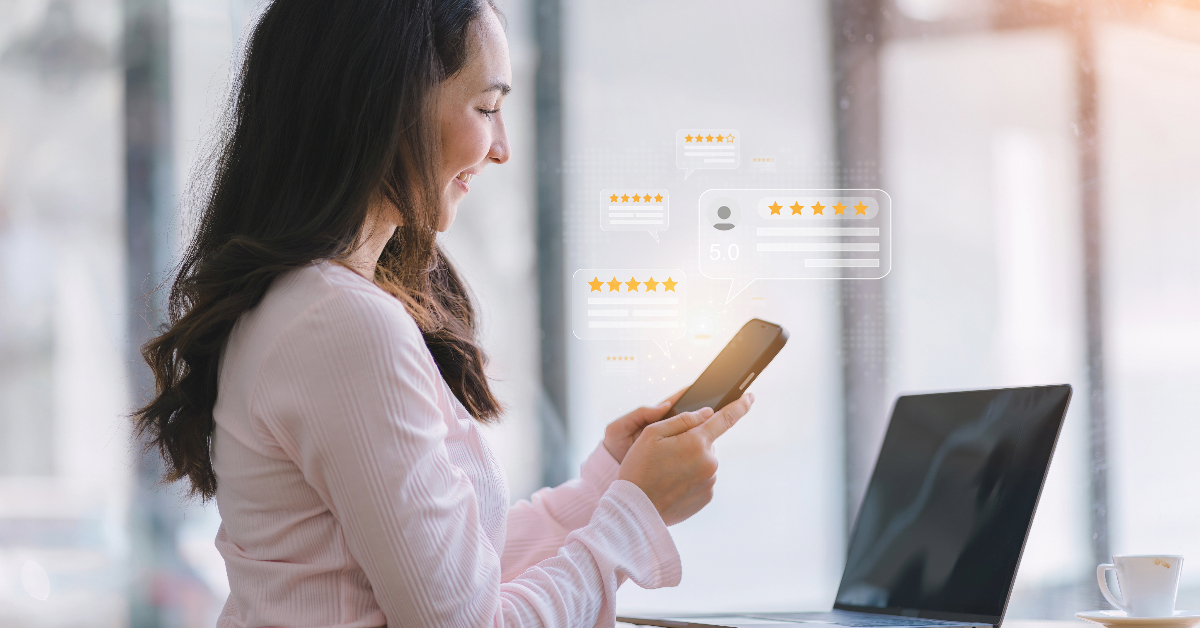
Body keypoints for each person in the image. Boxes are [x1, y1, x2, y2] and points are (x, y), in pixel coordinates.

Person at [133, 1, 755, 626]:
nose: (502, 149)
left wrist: (605, 488)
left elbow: (446, 574)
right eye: (486, 108)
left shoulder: (305, 304)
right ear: (386, 107)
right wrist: (633, 514)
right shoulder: (343, 324)